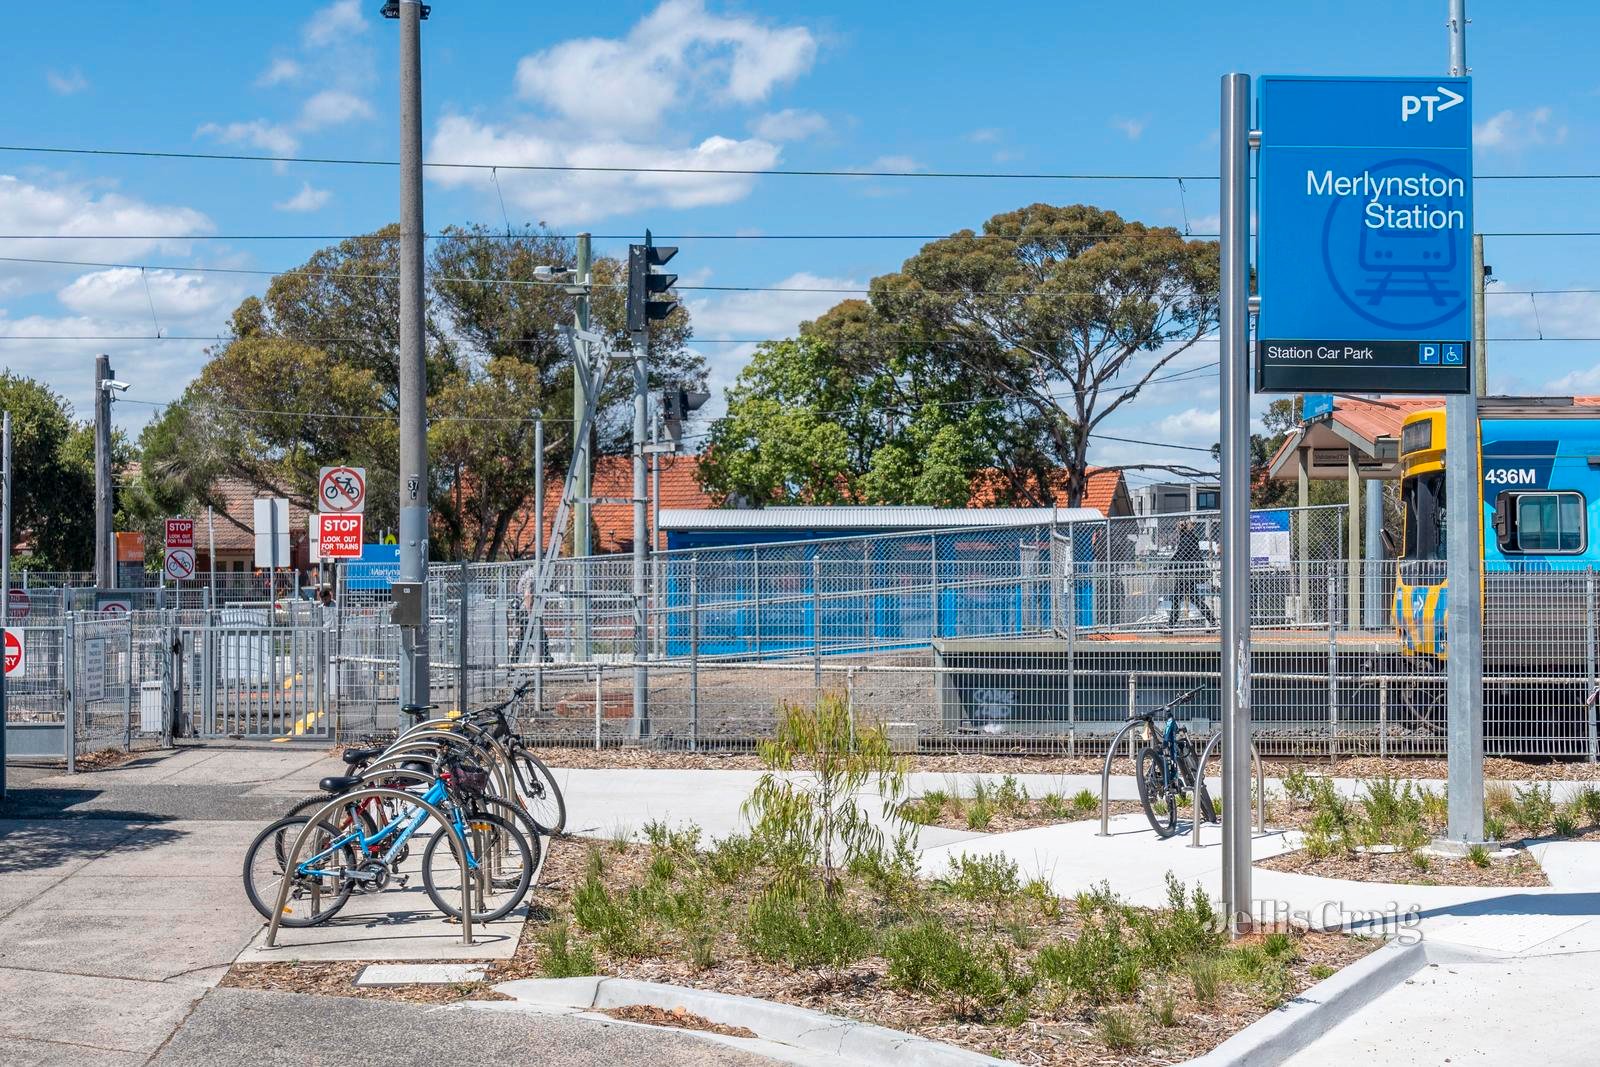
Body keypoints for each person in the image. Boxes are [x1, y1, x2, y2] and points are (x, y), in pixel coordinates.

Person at [1167, 520, 1216, 628]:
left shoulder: (1187, 538)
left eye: (1181, 525)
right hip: (1187, 574)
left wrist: (1167, 567)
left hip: (1185, 574)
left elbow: (1180, 555)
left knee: (1177, 599)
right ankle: (1212, 621)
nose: (1179, 527)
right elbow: (1180, 555)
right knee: (1194, 599)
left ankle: (1170, 625)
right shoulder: (1189, 537)